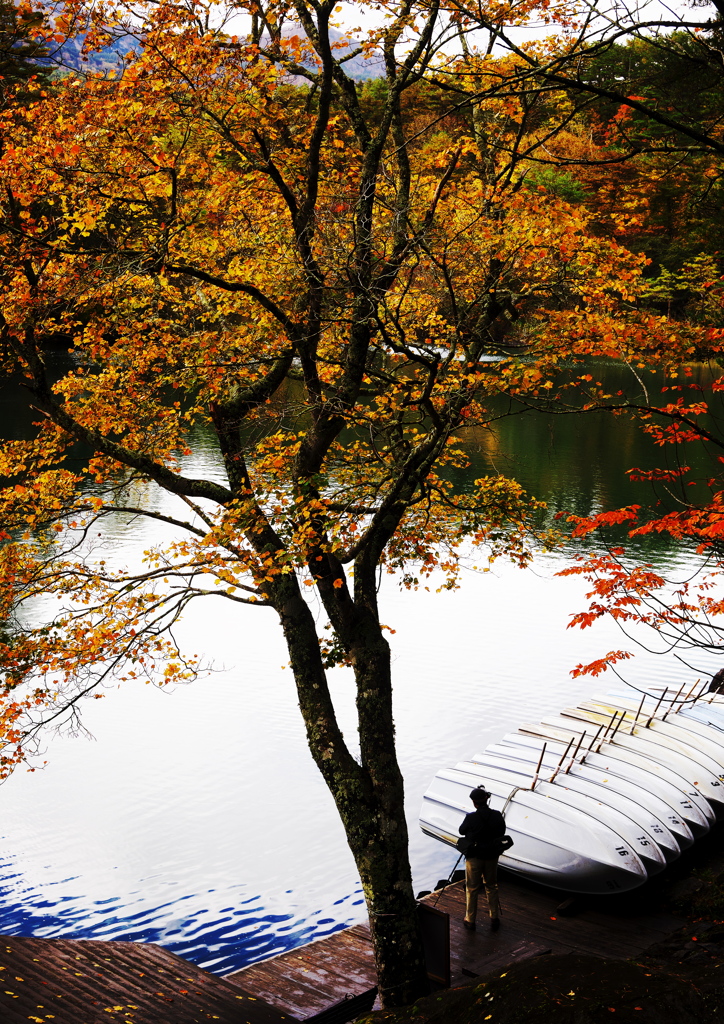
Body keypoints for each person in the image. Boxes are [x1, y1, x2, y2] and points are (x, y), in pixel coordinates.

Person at [459, 785, 506, 932]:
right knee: (491, 886)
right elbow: (502, 831)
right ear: (487, 799)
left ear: (474, 802)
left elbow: (461, 831)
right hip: (492, 856)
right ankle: (494, 917)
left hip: (474, 857)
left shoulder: (471, 817)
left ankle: (470, 920)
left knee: (472, 888)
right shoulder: (497, 815)